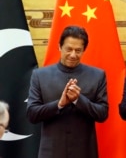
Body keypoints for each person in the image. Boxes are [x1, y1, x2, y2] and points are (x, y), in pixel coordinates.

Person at [27, 25, 108, 158]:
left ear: (84, 50)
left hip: (85, 152)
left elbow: (102, 114)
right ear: (59, 47)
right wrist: (59, 104)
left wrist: (78, 99)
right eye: (68, 49)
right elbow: (32, 114)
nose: (73, 55)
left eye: (78, 50)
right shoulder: (39, 76)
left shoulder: (97, 75)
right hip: (51, 152)